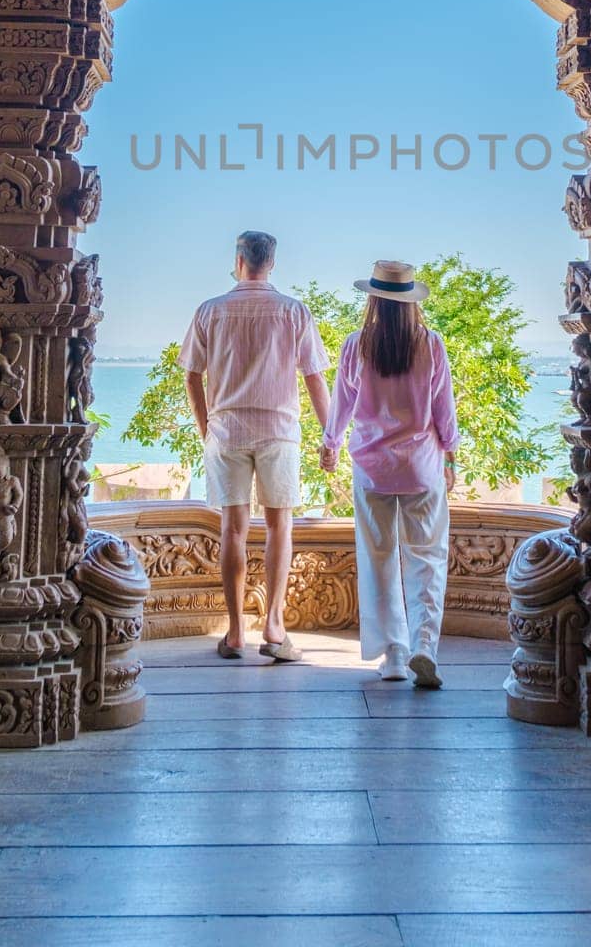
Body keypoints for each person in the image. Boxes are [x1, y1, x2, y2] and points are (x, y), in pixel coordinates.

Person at [183, 231, 330, 662]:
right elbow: (315, 378)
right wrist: (330, 434)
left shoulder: (210, 311)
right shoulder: (293, 312)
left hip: (226, 430)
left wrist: (204, 426)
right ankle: (274, 625)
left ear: (238, 260)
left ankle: (234, 633)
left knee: (233, 528)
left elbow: (192, 374)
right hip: (279, 431)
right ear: (272, 263)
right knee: (279, 527)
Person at [320, 259, 459, 688]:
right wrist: (451, 455)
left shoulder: (355, 346)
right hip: (421, 468)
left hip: (373, 470)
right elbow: (443, 410)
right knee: (427, 558)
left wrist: (330, 445)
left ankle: (394, 655)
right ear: (411, 302)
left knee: (378, 559)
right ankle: (423, 647)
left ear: (373, 301)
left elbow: (341, 405)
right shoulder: (431, 344)